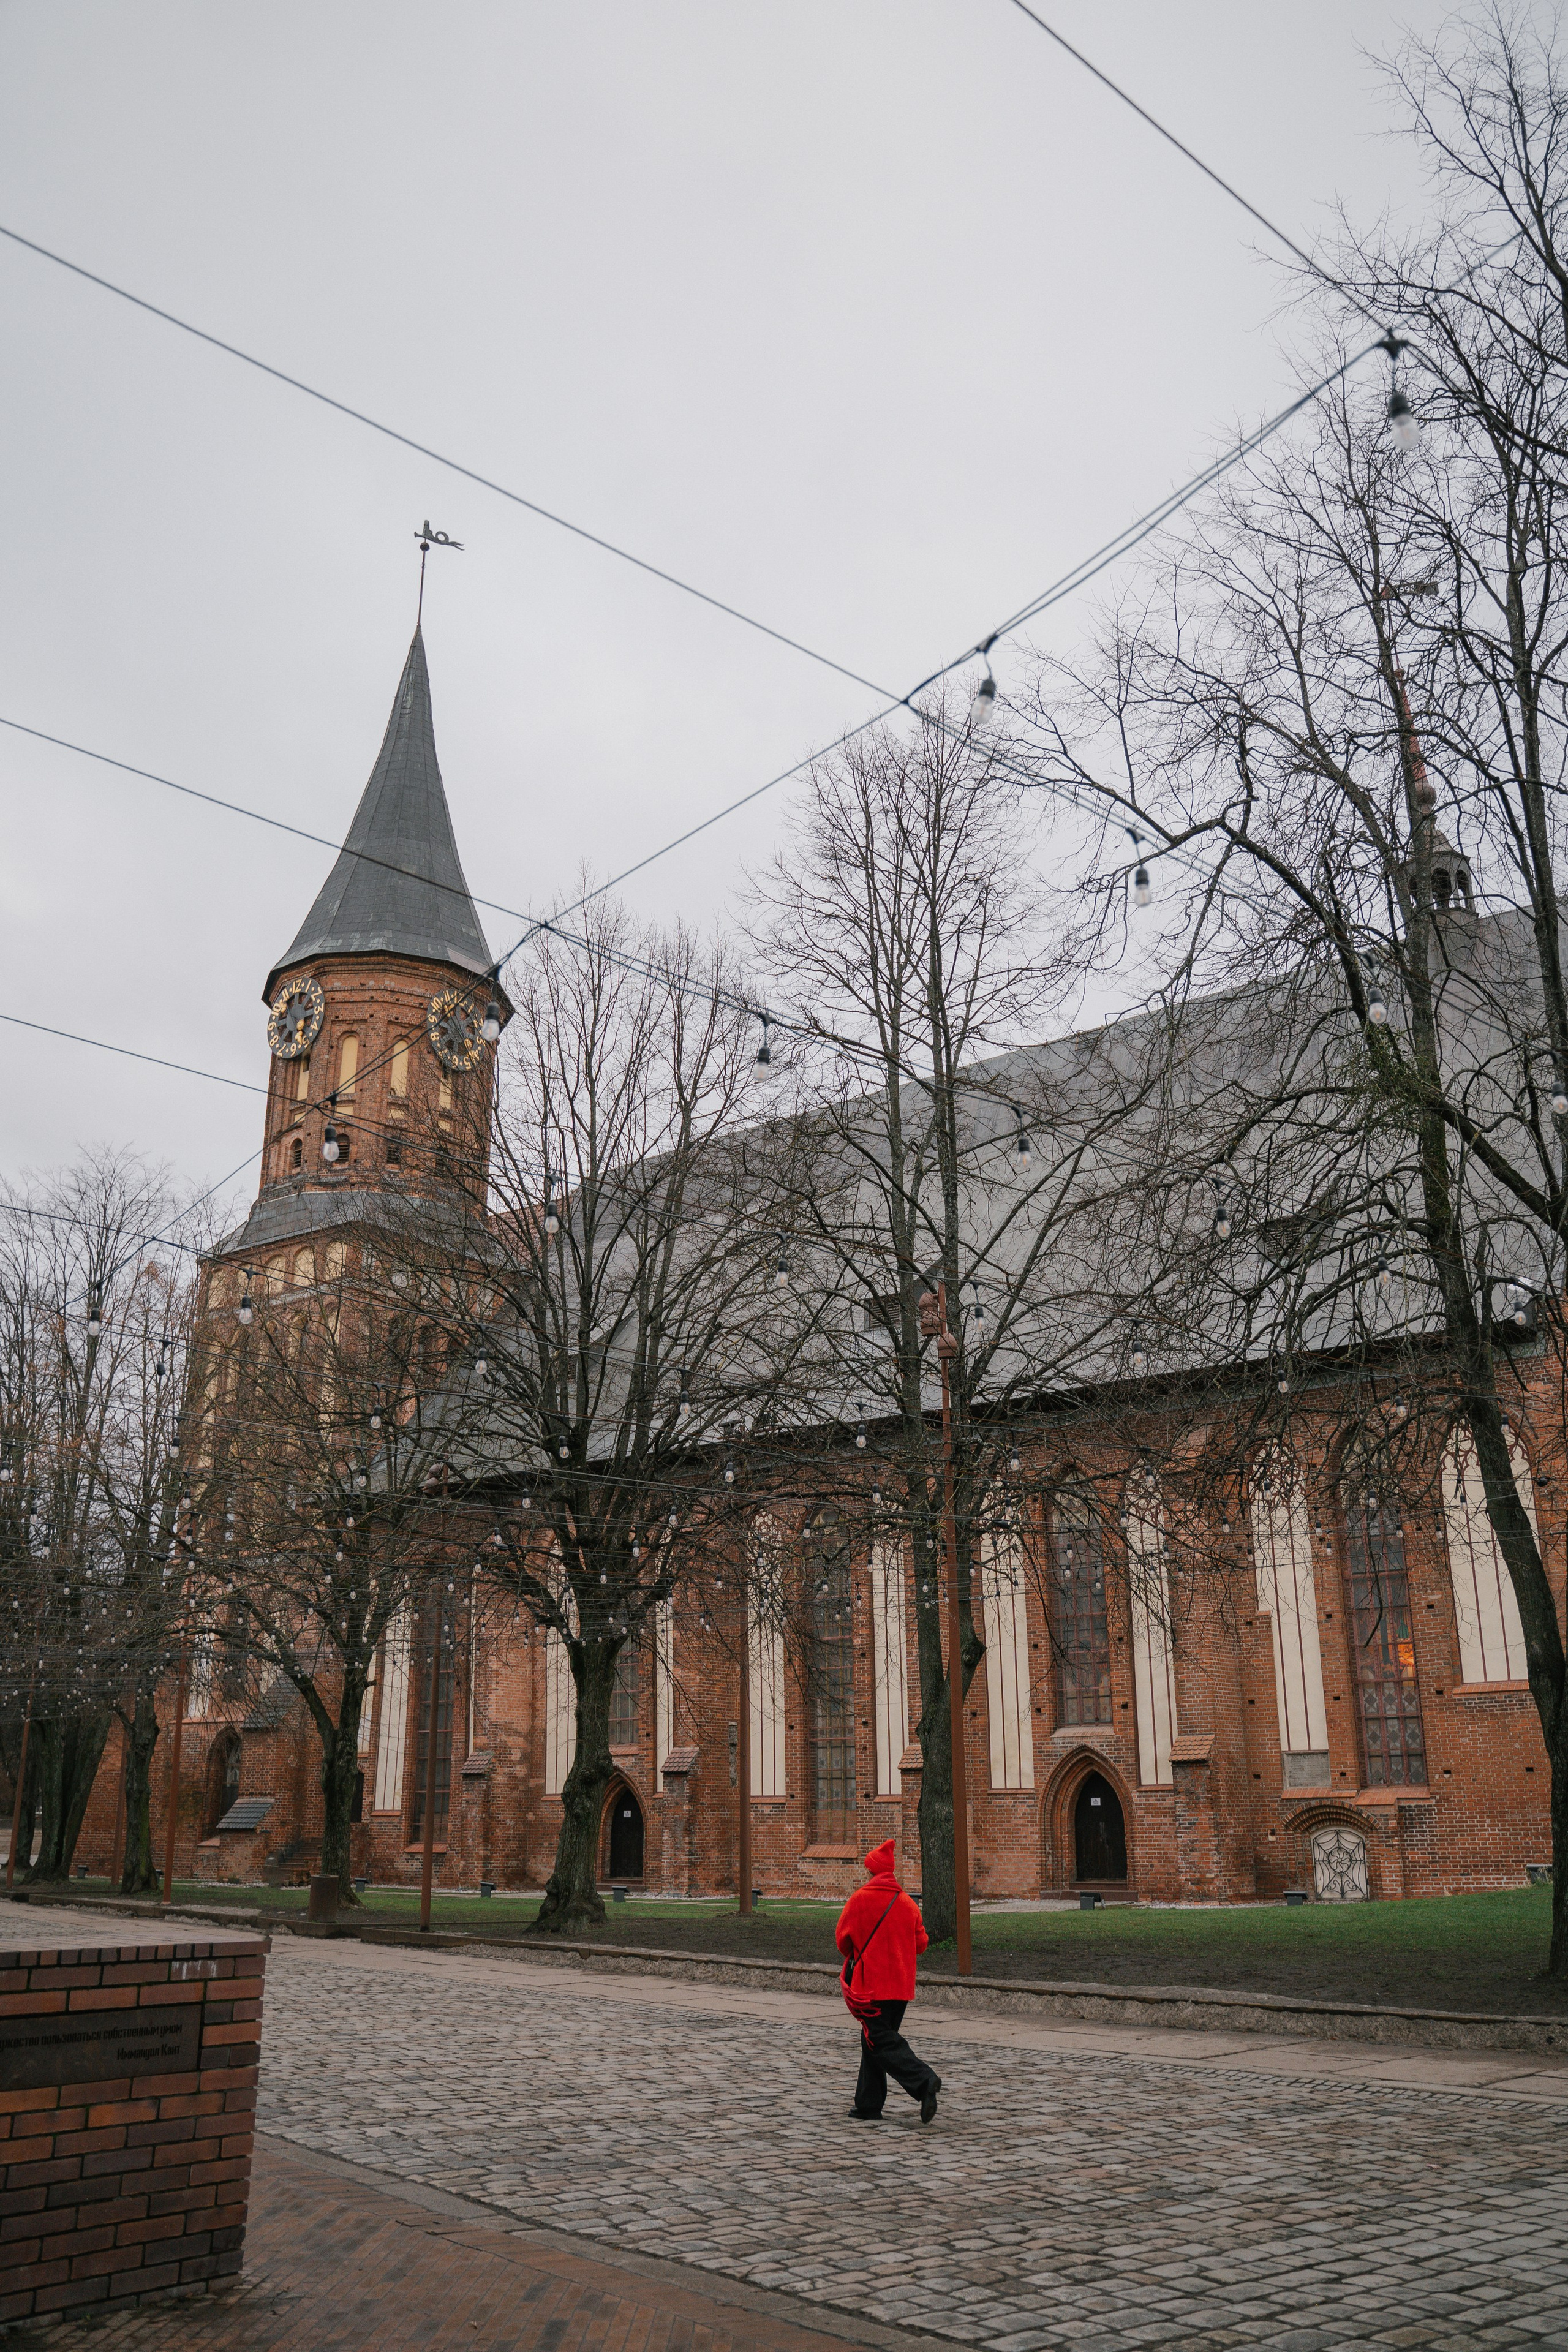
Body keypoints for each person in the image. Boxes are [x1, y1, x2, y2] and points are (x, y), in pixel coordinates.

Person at [835, 1837, 941, 2124]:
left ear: (871, 1872)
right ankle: (868, 2105)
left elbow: (843, 1942)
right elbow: (921, 1944)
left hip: (871, 1986)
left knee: (880, 2040)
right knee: (874, 2040)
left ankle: (924, 2081)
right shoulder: (908, 1904)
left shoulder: (859, 1901)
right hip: (901, 1988)